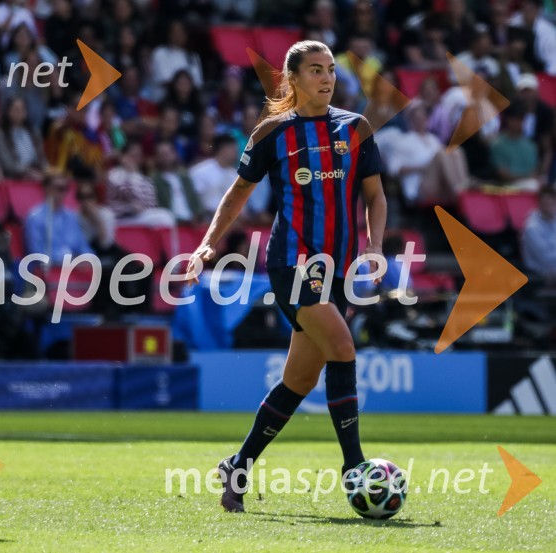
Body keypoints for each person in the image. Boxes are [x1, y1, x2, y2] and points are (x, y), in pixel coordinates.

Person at [186, 40, 387, 513]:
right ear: (292, 78)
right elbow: (237, 194)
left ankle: (238, 464)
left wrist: (375, 245)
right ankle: (355, 466)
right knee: (342, 347)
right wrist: (207, 244)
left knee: (299, 379)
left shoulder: (355, 128)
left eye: (332, 70)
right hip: (292, 262)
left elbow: (375, 196)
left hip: (337, 269)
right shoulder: (273, 132)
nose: (327, 78)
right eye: (315, 70)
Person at [521, 185, 556, 280]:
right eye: (546, 203)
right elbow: (546, 259)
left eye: (552, 202)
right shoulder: (531, 227)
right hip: (541, 272)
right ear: (539, 203)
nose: (549, 205)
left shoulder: (554, 219)